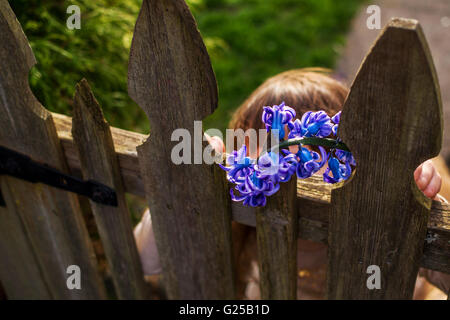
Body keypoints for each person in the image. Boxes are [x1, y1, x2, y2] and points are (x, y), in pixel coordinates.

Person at [134, 68, 450, 299]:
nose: (290, 166)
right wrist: (183, 186)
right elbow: (147, 261)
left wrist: (419, 208)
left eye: (315, 148)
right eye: (269, 142)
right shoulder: (239, 222)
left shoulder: (377, 223)